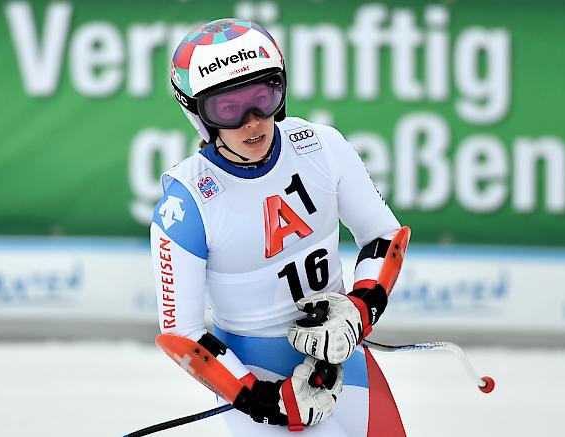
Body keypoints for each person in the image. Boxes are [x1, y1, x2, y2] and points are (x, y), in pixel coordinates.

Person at [151, 18, 407, 436]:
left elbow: (383, 235)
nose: (252, 121)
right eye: (228, 108)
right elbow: (181, 332)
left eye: (263, 96)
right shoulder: (186, 201)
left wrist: (360, 308)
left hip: (344, 357)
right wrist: (260, 399)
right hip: (260, 375)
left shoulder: (322, 145)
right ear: (198, 114)